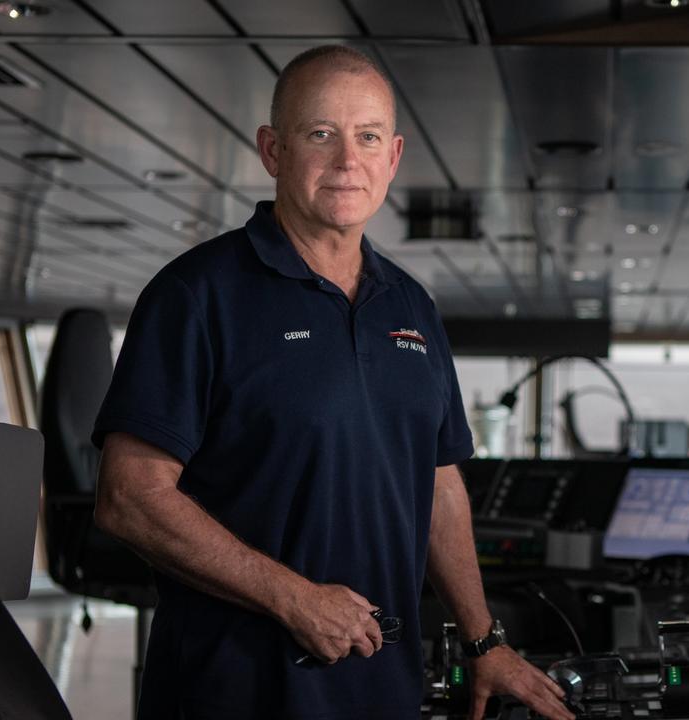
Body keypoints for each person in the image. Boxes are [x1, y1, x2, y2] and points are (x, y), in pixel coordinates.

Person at [92, 45, 574, 720]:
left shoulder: (411, 306)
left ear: (394, 155)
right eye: (321, 134)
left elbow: (436, 484)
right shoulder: (196, 295)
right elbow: (129, 497)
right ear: (273, 149)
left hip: (383, 689)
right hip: (233, 691)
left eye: (368, 137)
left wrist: (483, 640)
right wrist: (293, 596)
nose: (348, 161)